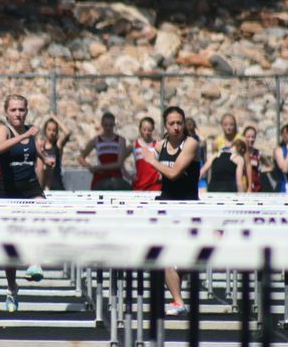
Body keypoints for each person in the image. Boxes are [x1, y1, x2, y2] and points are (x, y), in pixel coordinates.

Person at [0, 94, 57, 312]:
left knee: (40, 213)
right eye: (13, 110)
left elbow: (35, 150)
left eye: (21, 110)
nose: (18, 114)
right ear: (6, 112)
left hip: (30, 188)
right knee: (9, 246)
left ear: (27, 111)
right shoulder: (3, 129)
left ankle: (34, 261)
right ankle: (12, 288)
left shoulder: (30, 132)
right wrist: (24, 136)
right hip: (8, 191)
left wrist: (45, 159)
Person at [142, 106, 201, 315]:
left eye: (179, 123)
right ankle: (178, 301)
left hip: (187, 206)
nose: (176, 127)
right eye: (171, 123)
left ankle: (178, 300)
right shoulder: (161, 145)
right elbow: (156, 167)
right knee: (166, 255)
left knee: (185, 257)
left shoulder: (191, 143)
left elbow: (174, 173)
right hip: (167, 204)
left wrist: (152, 161)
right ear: (165, 126)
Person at [78, 112, 129, 190]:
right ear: (102, 125)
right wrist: (89, 166)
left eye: (111, 125)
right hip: (100, 177)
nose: (108, 128)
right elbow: (81, 157)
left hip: (115, 176)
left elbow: (119, 163)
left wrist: (99, 167)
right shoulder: (96, 140)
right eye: (106, 125)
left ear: (114, 125)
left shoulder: (120, 140)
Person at [38, 115, 71, 191]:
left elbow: (67, 133)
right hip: (44, 184)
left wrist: (55, 118)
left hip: (56, 183)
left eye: (54, 130)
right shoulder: (41, 146)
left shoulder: (57, 145)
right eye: (49, 130)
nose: (51, 133)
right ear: (45, 130)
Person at [133, 117, 161, 191]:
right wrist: (128, 175)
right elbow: (120, 159)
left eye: (149, 130)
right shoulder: (134, 144)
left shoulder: (158, 144)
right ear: (140, 129)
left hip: (154, 184)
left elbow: (165, 161)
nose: (146, 132)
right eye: (144, 129)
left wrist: (161, 173)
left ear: (153, 129)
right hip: (139, 184)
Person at [242, 126, 262, 192]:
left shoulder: (258, 153)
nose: (251, 139)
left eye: (253, 137)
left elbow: (264, 167)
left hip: (256, 188)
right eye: (248, 137)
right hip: (244, 187)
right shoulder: (240, 153)